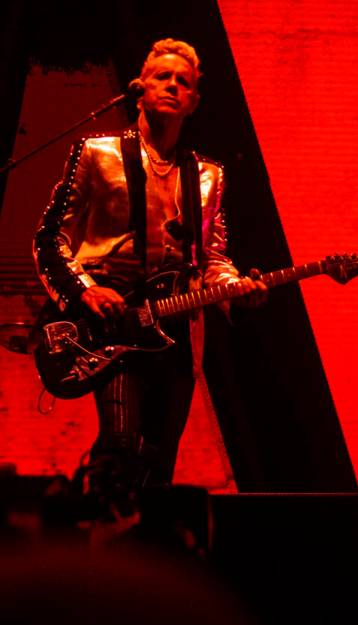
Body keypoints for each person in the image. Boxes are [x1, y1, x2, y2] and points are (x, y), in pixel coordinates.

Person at [33, 39, 267, 499]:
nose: (174, 86)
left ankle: (146, 555)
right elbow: (49, 239)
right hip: (109, 321)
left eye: (184, 82)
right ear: (139, 89)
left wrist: (236, 287)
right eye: (164, 77)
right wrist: (85, 291)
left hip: (176, 329)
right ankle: (95, 545)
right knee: (120, 445)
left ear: (195, 102)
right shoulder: (95, 153)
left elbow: (212, 258)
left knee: (159, 462)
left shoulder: (208, 175)